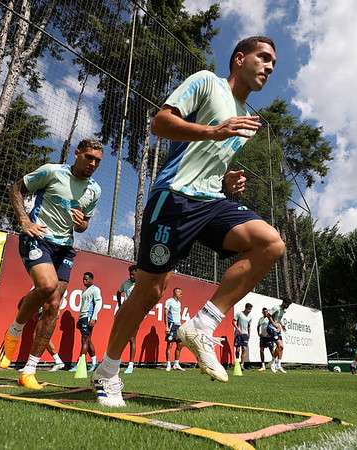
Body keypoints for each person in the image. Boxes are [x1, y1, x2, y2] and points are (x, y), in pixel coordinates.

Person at [92, 36, 282, 407]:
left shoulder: (244, 114)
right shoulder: (206, 81)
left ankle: (203, 325)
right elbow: (160, 123)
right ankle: (107, 372)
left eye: (273, 62)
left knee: (270, 243)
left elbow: (210, 158)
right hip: (174, 196)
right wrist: (213, 130)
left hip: (211, 201)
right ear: (239, 58)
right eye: (263, 58)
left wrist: (227, 180)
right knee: (149, 290)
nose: (270, 67)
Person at [0, 138, 102, 389]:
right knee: (47, 286)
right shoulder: (52, 171)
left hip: (64, 246)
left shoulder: (95, 190)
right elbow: (16, 188)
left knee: (54, 304)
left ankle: (29, 370)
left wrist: (81, 224)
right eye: (89, 157)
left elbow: (84, 223)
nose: (93, 163)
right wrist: (24, 220)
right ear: (77, 153)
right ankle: (14, 330)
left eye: (97, 160)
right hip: (39, 236)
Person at [74, 271, 102, 372]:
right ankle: (94, 363)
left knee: (84, 340)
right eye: (83, 279)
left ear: (91, 279)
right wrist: (79, 319)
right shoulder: (84, 291)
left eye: (86, 279)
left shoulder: (95, 289)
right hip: (83, 317)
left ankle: (80, 364)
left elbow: (98, 303)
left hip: (89, 317)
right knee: (88, 340)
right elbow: (83, 306)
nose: (84, 281)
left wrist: (94, 317)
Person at [115, 265, 137, 374]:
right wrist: (120, 305)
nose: (131, 276)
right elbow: (118, 292)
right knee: (122, 337)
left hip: (136, 314)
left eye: (133, 274)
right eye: (130, 274)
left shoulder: (141, 285)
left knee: (132, 339)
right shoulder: (126, 283)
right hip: (125, 313)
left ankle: (131, 365)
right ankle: (116, 362)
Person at [267, 299, 291, 373]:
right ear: (284, 302)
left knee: (281, 347)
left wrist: (282, 326)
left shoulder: (283, 310)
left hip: (277, 328)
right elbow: (268, 315)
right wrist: (274, 324)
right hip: (271, 327)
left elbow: (278, 319)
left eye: (289, 305)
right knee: (279, 345)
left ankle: (278, 364)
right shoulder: (276, 308)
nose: (287, 306)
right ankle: (273, 363)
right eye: (287, 304)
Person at [164, 288, 185, 371]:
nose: (180, 294)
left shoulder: (179, 303)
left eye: (181, 293)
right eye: (179, 292)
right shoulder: (169, 301)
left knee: (179, 345)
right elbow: (165, 313)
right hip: (171, 325)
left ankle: (176, 364)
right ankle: (168, 364)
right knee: (170, 345)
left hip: (178, 326)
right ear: (174, 293)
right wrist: (166, 326)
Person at [257, 307, 275, 372]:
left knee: (272, 351)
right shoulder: (261, 319)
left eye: (266, 312)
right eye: (264, 312)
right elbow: (258, 326)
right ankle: (263, 366)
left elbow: (273, 326)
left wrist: (271, 334)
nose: (265, 313)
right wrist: (259, 333)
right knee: (261, 350)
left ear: (268, 312)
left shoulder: (270, 318)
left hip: (269, 337)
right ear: (262, 312)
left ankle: (274, 364)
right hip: (262, 337)